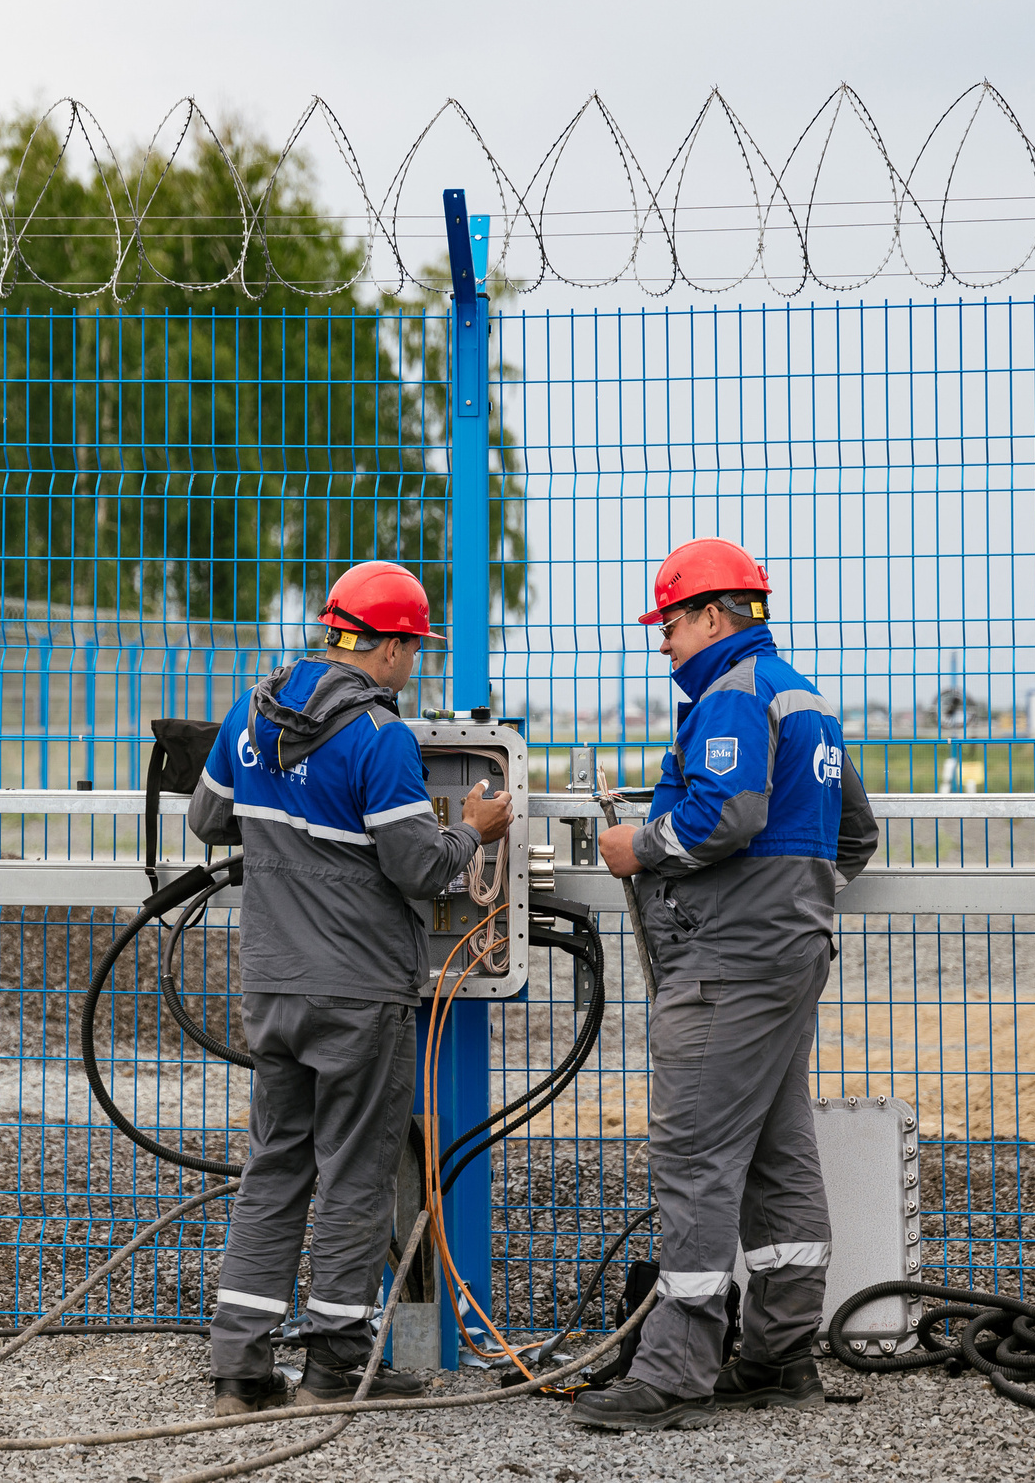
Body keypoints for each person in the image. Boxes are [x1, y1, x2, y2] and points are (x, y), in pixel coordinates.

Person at [188, 559, 515, 1416]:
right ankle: (336, 1364)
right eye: (414, 648)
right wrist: (472, 833)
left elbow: (208, 818)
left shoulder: (254, 710)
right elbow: (418, 868)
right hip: (361, 989)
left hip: (274, 984)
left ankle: (240, 1371)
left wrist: (285, 825)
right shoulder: (380, 737)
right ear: (391, 644)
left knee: (275, 1165)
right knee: (355, 1172)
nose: (416, 664)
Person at [572, 537, 879, 1432]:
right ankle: (780, 1357)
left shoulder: (733, 696)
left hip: (728, 964)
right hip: (788, 955)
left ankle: (672, 1371)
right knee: (780, 1155)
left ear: (712, 616)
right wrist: (792, 899)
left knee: (695, 1157)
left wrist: (641, 847)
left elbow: (729, 813)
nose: (662, 643)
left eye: (668, 624)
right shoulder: (799, 696)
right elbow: (853, 834)